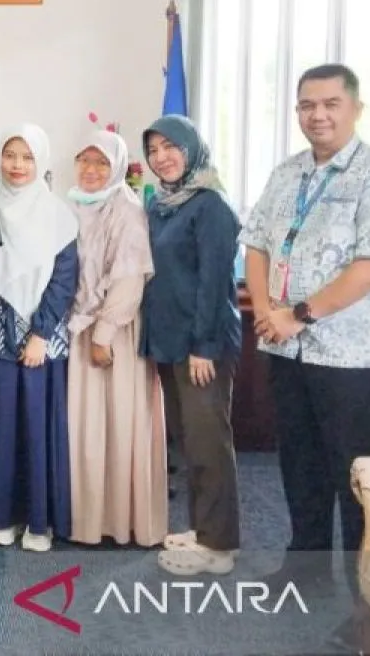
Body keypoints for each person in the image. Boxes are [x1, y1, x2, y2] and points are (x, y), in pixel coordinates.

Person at [241, 64, 370, 600]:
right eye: (306, 105)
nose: (317, 115)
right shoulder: (287, 173)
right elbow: (257, 243)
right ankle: (308, 570)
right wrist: (266, 309)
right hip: (290, 348)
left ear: (355, 109)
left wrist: (297, 314)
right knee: (300, 464)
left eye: (330, 103)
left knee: (359, 477)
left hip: (355, 357)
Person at [0, 125, 78, 553]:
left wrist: (40, 334)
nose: (16, 165)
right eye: (10, 154)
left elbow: (64, 280)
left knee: (35, 427)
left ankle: (38, 522)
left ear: (41, 162)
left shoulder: (58, 214)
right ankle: (0, 516)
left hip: (39, 338)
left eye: (27, 157)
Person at [139, 114, 242, 576]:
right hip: (171, 343)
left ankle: (219, 546)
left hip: (203, 346)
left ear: (192, 149)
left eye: (171, 147)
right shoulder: (164, 204)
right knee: (190, 443)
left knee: (209, 445)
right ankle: (203, 530)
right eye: (153, 150)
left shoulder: (210, 205)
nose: (161, 157)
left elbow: (215, 284)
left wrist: (204, 346)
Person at [65, 130, 167, 547]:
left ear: (118, 167)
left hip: (114, 333)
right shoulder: (74, 203)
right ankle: (86, 520)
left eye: (102, 163)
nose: (91, 170)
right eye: (85, 161)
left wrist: (103, 334)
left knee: (117, 421)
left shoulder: (125, 209)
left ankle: (121, 521)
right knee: (86, 427)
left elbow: (128, 281)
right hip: (79, 326)